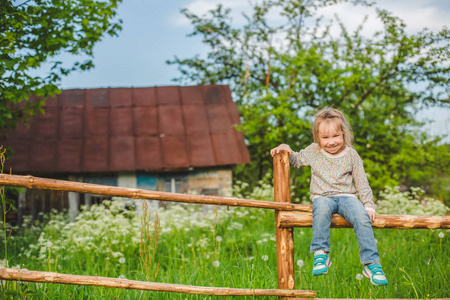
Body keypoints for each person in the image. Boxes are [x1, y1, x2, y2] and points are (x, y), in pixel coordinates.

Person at [270, 108, 388, 286]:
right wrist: (286, 148)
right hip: (322, 196)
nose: (331, 142)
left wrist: (368, 204)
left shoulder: (351, 155)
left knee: (362, 217)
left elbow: (361, 181)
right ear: (318, 137)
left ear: (343, 134)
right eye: (325, 138)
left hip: (347, 196)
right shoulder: (313, 151)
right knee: (321, 210)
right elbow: (296, 160)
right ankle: (321, 254)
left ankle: (372, 264)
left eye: (335, 136)